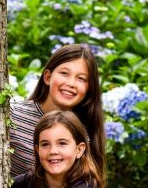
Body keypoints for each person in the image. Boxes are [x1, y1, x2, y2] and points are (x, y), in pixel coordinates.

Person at [9, 43, 106, 180]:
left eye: (81, 78)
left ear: (89, 88)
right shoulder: (13, 116)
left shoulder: (84, 135)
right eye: (64, 73)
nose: (71, 83)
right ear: (48, 77)